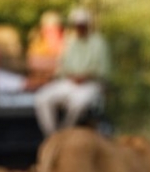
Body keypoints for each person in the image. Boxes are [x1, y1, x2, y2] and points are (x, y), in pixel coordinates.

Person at [33, 7, 111, 135]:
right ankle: (52, 135)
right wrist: (70, 76)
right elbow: (62, 67)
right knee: (42, 98)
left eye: (82, 25)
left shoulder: (99, 43)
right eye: (77, 25)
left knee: (78, 103)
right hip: (69, 82)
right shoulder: (70, 41)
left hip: (90, 85)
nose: (79, 28)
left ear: (88, 25)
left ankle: (66, 132)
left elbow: (102, 70)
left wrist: (85, 76)